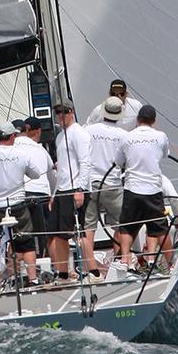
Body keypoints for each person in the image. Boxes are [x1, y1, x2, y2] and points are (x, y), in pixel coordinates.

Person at [0, 121, 51, 291]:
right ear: (12, 136)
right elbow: (35, 174)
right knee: (27, 242)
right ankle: (33, 279)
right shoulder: (21, 155)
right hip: (17, 205)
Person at [114, 104, 172, 270]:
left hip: (132, 188)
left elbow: (118, 162)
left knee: (126, 227)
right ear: (153, 121)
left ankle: (125, 261)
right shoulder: (161, 136)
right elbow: (165, 154)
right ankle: (171, 263)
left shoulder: (126, 137)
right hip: (153, 189)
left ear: (138, 119)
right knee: (161, 229)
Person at [85, 98, 129, 275]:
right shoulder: (123, 135)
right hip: (112, 183)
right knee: (122, 224)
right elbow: (125, 161)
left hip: (90, 183)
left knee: (88, 227)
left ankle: (91, 269)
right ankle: (119, 263)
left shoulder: (87, 130)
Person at [51, 100, 92, 282]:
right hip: (62, 189)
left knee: (79, 233)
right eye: (58, 112)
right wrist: (54, 194)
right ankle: (63, 273)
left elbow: (85, 162)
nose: (61, 115)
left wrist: (80, 189)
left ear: (72, 112)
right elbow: (61, 168)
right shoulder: (60, 137)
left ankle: (94, 272)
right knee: (60, 234)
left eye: (64, 111)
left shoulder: (79, 134)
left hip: (76, 188)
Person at [14, 117, 55, 260]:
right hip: (42, 194)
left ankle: (17, 273)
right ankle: (56, 268)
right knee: (48, 235)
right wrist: (53, 196)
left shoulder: (10, 149)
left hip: (20, 196)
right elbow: (52, 176)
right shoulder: (40, 149)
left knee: (18, 237)